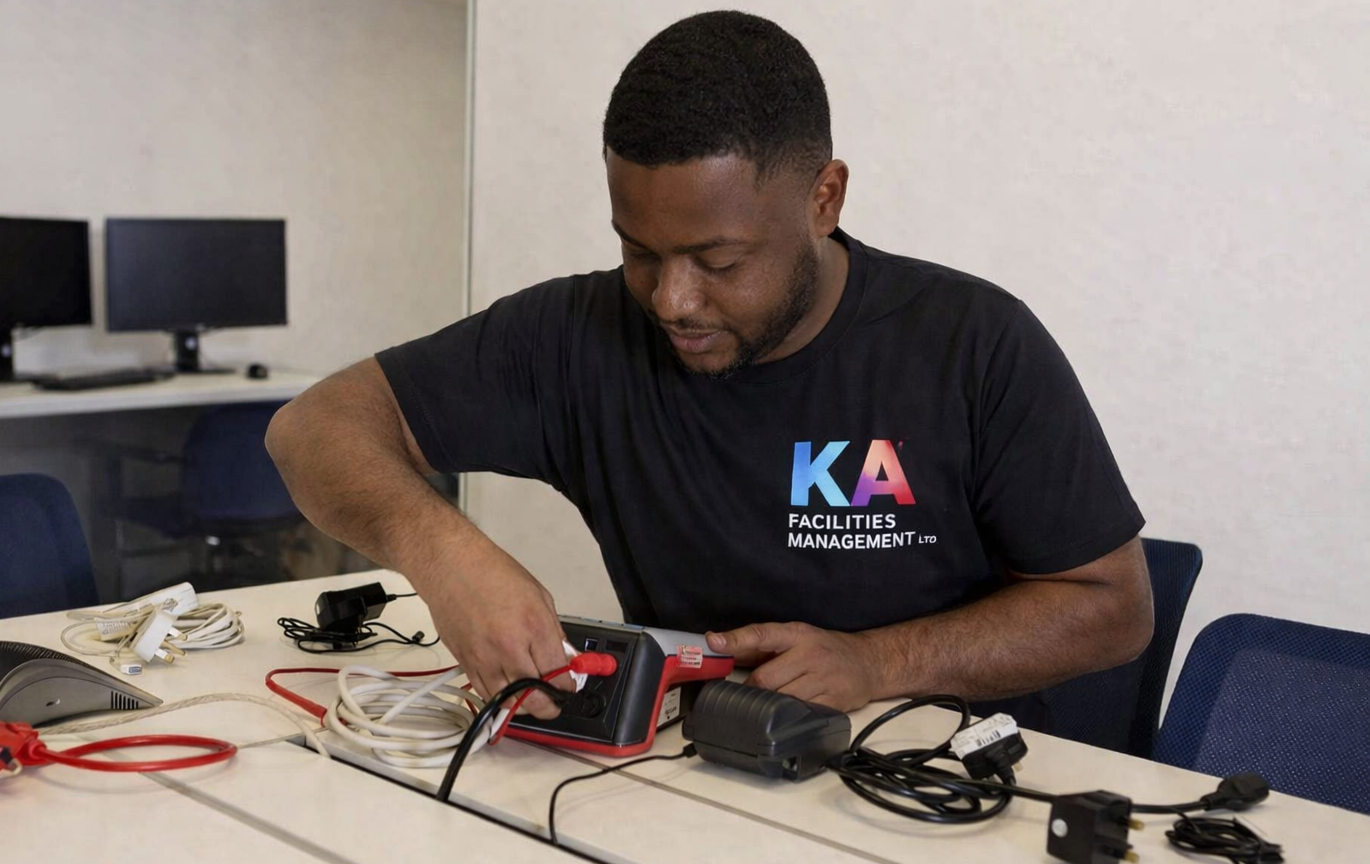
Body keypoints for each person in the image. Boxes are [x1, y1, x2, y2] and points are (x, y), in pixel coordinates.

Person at [266, 10, 1152, 726]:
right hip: (701, 776)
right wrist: (444, 551)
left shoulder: (973, 342)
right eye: (639, 251)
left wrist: (877, 662)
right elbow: (311, 429)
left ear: (825, 199)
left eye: (718, 261)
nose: (672, 300)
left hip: (941, 783)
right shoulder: (576, 337)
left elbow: (1112, 607)